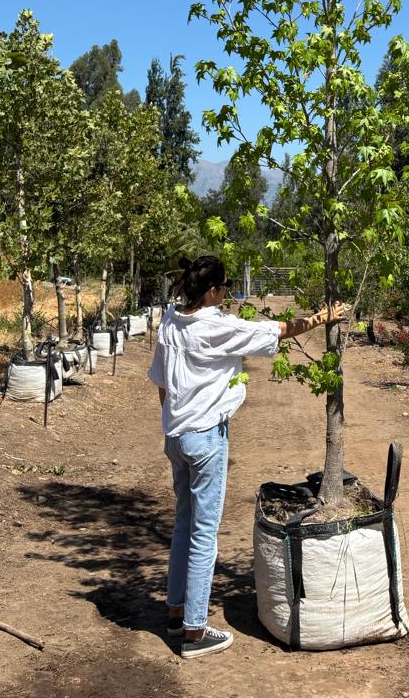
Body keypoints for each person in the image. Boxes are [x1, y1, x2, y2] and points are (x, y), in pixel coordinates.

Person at [147, 253, 346, 660]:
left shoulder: (169, 321)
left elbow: (161, 383)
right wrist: (324, 317)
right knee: (204, 533)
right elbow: (278, 330)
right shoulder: (217, 326)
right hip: (205, 439)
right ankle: (195, 632)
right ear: (213, 291)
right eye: (224, 288)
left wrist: (173, 420)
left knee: (184, 525)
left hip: (176, 437)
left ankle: (176, 612)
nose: (226, 295)